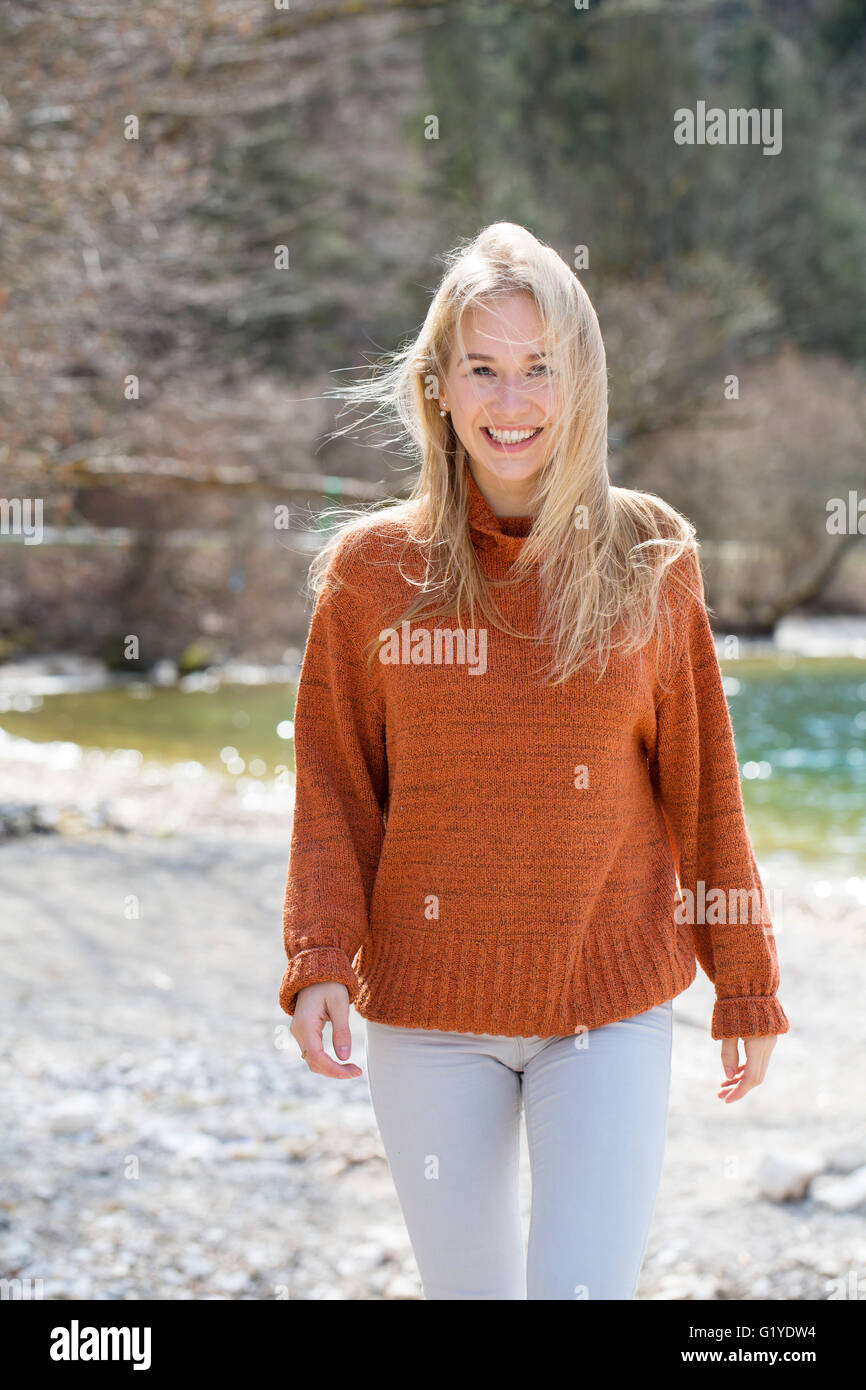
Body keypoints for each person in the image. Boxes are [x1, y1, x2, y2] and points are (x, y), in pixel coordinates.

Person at [278, 222, 789, 1300]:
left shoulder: (651, 556)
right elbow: (333, 790)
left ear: (580, 382)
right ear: (439, 386)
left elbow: (703, 791)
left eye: (537, 368)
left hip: (604, 1012)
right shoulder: (371, 575)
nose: (510, 404)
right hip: (425, 1016)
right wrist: (320, 953)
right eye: (483, 368)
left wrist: (742, 979)